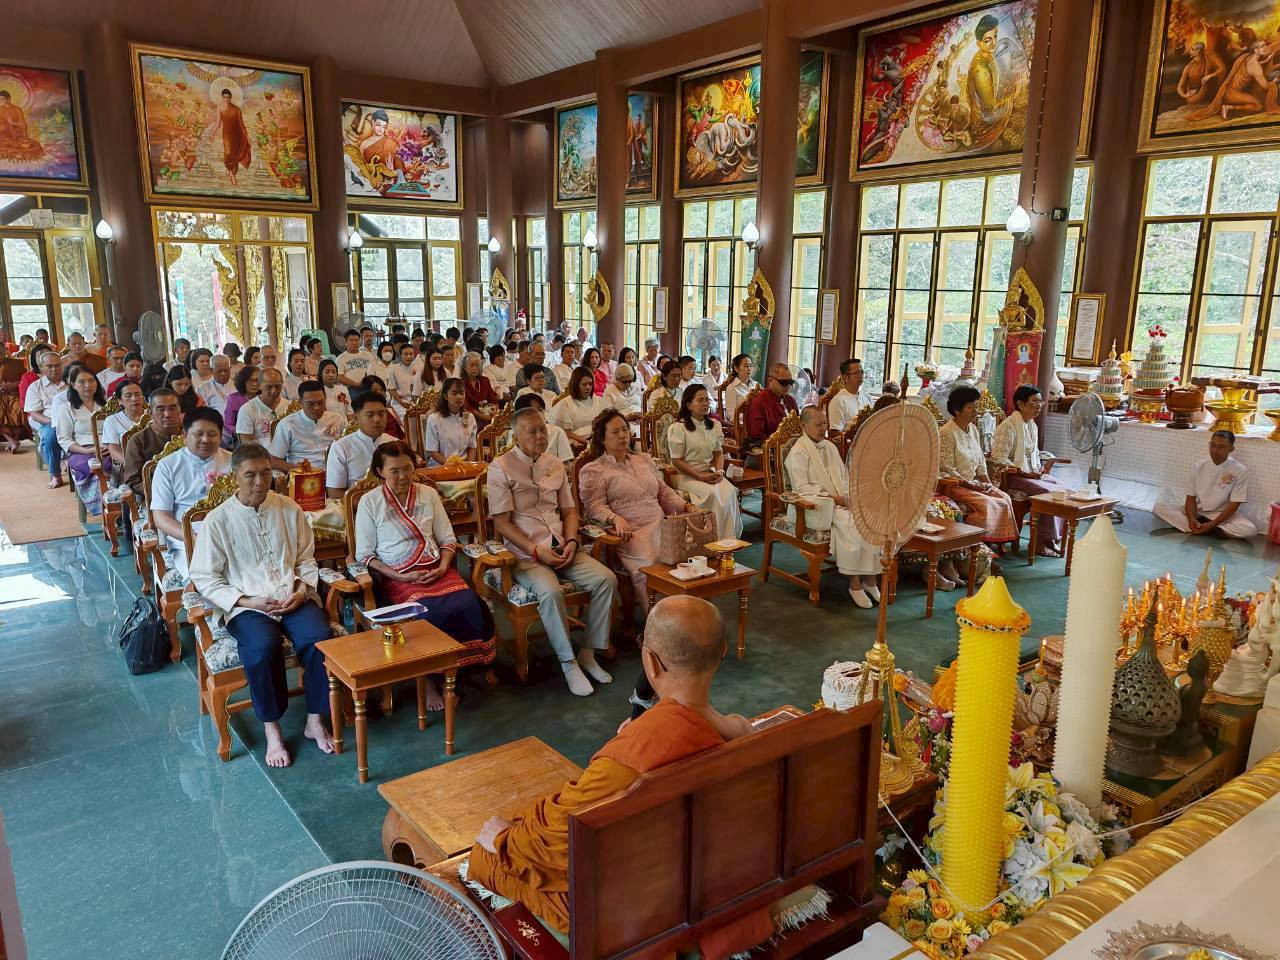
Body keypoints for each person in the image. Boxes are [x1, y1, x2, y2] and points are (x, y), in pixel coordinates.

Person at [468, 596, 754, 941]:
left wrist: (504, 838)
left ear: (651, 663)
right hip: (709, 865)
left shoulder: (630, 757)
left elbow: (561, 839)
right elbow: (724, 723)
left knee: (487, 856)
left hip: (643, 895)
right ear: (722, 651)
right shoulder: (736, 732)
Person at [189, 443, 335, 768]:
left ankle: (314, 719)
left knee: (319, 638)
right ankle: (272, 729)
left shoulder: (288, 508)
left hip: (291, 596)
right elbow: (205, 578)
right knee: (262, 646)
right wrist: (246, 600)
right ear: (234, 477)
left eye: (265, 473)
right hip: (246, 606)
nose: (259, 482)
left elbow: (305, 558)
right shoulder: (218, 521)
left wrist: (301, 588)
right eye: (250, 475)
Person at [487, 407, 619, 696]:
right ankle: (569, 663)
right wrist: (536, 551)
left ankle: (588, 651)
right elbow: (501, 522)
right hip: (525, 553)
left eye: (543, 429)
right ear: (515, 436)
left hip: (562, 545)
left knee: (606, 579)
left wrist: (572, 542)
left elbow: (570, 511)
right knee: (550, 591)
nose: (540, 436)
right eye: (531, 431)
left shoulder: (555, 463)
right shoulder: (500, 467)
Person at [355, 441, 494, 707]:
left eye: (408, 468)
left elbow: (447, 538)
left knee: (468, 603)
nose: (403, 476)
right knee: (428, 611)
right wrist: (401, 577)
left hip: (436, 568)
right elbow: (366, 555)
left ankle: (453, 676)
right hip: (398, 575)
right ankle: (428, 680)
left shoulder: (428, 494)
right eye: (394, 471)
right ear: (379, 471)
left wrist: (443, 567)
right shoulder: (370, 502)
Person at [579, 410, 692, 610]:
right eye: (615, 432)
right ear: (602, 439)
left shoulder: (643, 461)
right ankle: (660, 625)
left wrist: (685, 505)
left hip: (661, 524)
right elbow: (593, 506)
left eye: (625, 429)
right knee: (652, 562)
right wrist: (615, 518)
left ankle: (686, 617)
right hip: (631, 532)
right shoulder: (594, 470)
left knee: (685, 558)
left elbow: (664, 493)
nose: (623, 435)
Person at [787, 406, 883, 607]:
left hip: (839, 501)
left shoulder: (829, 447)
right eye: (818, 424)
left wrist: (850, 496)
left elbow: (844, 477)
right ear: (804, 426)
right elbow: (801, 490)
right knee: (849, 523)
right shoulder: (797, 452)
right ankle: (854, 584)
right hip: (813, 507)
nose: (823, 428)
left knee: (870, 519)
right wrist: (835, 499)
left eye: (824, 424)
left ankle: (870, 579)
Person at [939, 384, 1018, 576]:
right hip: (955, 484)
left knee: (1003, 497)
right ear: (957, 410)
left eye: (976, 406)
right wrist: (971, 484)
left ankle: (988, 549)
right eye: (970, 407)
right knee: (987, 503)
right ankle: (978, 554)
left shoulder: (973, 429)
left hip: (974, 482)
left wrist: (987, 482)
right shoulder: (947, 433)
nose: (976, 411)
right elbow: (946, 468)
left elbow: (981, 461)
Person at [149, 407, 231, 581]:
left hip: (230, 535)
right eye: (198, 434)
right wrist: (192, 537)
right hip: (186, 539)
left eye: (212, 434)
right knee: (206, 578)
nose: (205, 440)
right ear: (185, 435)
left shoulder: (235, 462)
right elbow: (161, 517)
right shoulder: (168, 466)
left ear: (221, 434)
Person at [990, 385, 1068, 556]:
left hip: (1030, 475)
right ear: (1020, 404)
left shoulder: (1032, 425)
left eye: (1041, 402)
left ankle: (1051, 539)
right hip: (1012, 477)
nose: (1039, 406)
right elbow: (998, 458)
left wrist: (1038, 467)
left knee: (1064, 490)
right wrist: (1024, 472)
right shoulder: (1008, 426)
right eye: (1034, 402)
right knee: (1047, 493)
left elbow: (1032, 454)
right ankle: (1041, 542)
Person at [666, 383, 742, 540]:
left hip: (708, 473)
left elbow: (718, 453)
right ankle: (711, 539)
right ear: (688, 404)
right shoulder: (678, 428)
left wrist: (719, 472)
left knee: (729, 491)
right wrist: (699, 476)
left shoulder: (714, 425)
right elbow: (677, 460)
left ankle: (728, 540)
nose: (705, 403)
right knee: (712, 494)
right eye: (700, 400)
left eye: (707, 400)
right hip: (684, 474)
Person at [1153, 429, 1257, 539]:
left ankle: (1207, 528)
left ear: (1231, 449)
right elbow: (1190, 498)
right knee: (1158, 508)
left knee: (1249, 530)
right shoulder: (1198, 466)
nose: (1215, 450)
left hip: (1221, 514)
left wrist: (1212, 524)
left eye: (1221, 447)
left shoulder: (1240, 470)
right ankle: (1200, 527)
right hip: (1199, 511)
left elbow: (1234, 504)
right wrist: (1191, 518)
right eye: (1212, 445)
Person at [325, 391, 393, 498]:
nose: (377, 420)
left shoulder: (395, 443)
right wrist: (371, 507)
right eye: (370, 415)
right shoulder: (341, 447)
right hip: (358, 509)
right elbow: (335, 493)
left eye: (381, 414)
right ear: (356, 418)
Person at [268, 380, 347, 470]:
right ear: (301, 402)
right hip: (302, 474)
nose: (317, 407)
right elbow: (273, 460)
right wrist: (302, 470)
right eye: (310, 404)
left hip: (335, 471)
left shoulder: (338, 419)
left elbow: (350, 450)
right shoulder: (287, 424)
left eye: (321, 402)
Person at [122, 388, 183, 500]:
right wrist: (165, 492)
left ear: (180, 409)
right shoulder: (138, 441)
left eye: (172, 408)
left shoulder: (191, 435)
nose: (167, 414)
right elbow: (132, 482)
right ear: (150, 412)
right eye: (160, 409)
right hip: (153, 498)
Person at [57, 365, 108, 498]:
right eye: (81, 382)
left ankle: (118, 503)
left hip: (108, 448)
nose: (87, 385)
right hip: (82, 450)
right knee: (96, 467)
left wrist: (111, 447)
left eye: (91, 381)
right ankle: (102, 503)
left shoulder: (106, 405)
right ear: (73, 384)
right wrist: (88, 451)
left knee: (117, 464)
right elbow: (64, 438)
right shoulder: (67, 409)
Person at [23, 349, 65, 488]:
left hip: (74, 419)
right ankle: (55, 474)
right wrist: (54, 422)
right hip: (49, 421)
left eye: (57, 365)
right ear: (41, 367)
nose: (54, 369)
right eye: (49, 366)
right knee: (50, 436)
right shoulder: (35, 387)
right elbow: (35, 414)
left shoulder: (71, 382)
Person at [424, 377, 479, 465]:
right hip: (441, 465)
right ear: (445, 396)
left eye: (461, 393)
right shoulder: (434, 419)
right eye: (454, 393)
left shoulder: (470, 417)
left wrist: (470, 465)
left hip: (464, 465)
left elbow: (472, 446)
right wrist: (451, 465)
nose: (459, 397)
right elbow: (432, 450)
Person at [551, 367, 609, 446]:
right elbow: (565, 432)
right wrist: (584, 441)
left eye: (590, 384)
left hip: (597, 438)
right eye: (584, 384)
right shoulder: (566, 404)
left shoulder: (598, 401)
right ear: (576, 385)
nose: (588, 387)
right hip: (577, 440)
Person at [745, 363, 799, 447]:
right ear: (770, 380)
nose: (788, 386)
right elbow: (757, 437)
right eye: (784, 382)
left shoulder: (790, 400)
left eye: (790, 382)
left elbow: (798, 426)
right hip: (771, 449)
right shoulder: (759, 402)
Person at [511, 392, 574, 463]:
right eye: (535, 411)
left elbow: (566, 463)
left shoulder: (557, 431)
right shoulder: (514, 432)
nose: (540, 436)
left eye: (541, 410)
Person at [102, 380, 147, 478]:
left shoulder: (153, 415)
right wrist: (133, 466)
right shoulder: (112, 421)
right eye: (128, 395)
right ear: (119, 400)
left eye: (138, 394)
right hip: (128, 467)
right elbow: (114, 451)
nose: (134, 399)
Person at [236, 366, 289, 446]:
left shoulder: (290, 406)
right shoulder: (247, 409)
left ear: (282, 383)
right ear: (259, 385)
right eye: (269, 387)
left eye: (278, 386)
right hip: (260, 455)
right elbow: (246, 442)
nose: (274, 391)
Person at [827, 358, 872, 431]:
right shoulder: (838, 401)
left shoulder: (867, 397)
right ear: (845, 377)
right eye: (857, 373)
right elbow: (835, 432)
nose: (861, 375)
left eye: (862, 372)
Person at [359, 374, 406, 440]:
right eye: (375, 390)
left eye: (381, 390)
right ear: (366, 393)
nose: (379, 393)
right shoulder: (363, 413)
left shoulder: (390, 410)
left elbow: (401, 431)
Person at [222, 365, 260, 446]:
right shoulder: (233, 398)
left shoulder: (264, 397)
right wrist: (242, 432)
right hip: (241, 439)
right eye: (250, 381)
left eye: (257, 380)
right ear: (243, 382)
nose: (255, 384)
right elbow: (228, 424)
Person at [460, 351, 501, 421]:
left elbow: (493, 400)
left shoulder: (484, 380)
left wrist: (495, 413)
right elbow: (467, 407)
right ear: (465, 368)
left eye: (477, 365)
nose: (475, 368)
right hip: (472, 417)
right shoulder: (461, 384)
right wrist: (485, 418)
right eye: (471, 365)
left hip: (489, 413)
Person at [387, 341, 422, 414]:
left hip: (417, 403)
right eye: (405, 354)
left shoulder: (419, 367)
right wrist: (402, 402)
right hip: (400, 404)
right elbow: (392, 389)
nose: (409, 357)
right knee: (405, 416)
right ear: (400, 355)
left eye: (411, 354)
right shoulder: (394, 368)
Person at [722, 353, 756, 423]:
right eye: (746, 366)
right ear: (736, 369)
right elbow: (732, 416)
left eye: (751, 366)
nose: (749, 369)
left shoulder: (756, 385)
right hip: (743, 425)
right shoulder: (732, 388)